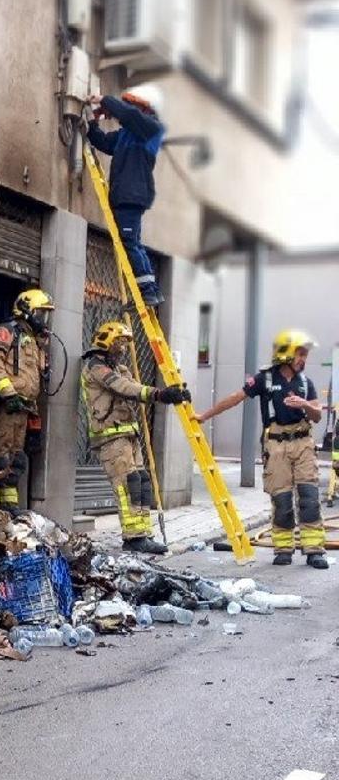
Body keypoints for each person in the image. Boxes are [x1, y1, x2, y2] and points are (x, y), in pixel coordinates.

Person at [195, 330, 327, 568]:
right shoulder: (265, 379)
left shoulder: (306, 383)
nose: (304, 359)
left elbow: (317, 416)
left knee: (309, 497)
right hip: (276, 446)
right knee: (282, 499)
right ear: (287, 353)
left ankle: (314, 551)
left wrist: (305, 404)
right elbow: (235, 398)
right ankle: (284, 549)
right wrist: (204, 416)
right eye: (301, 354)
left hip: (303, 444)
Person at [81, 320, 190, 554]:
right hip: (110, 438)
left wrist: (173, 394)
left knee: (141, 481)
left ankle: (142, 533)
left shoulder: (119, 369)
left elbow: (133, 385)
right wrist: (159, 394)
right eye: (119, 342)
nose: (122, 348)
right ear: (106, 341)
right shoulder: (95, 367)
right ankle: (132, 537)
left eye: (124, 343)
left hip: (128, 434)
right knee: (127, 486)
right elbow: (123, 388)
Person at [87, 84, 166, 307]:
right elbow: (101, 141)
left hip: (131, 195)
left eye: (132, 105)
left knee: (130, 242)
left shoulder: (151, 130)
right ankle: (149, 290)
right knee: (133, 242)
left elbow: (129, 115)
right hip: (126, 196)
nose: (126, 109)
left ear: (145, 109)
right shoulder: (126, 136)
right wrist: (93, 121)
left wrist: (105, 100)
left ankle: (148, 291)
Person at [0, 289, 53, 515]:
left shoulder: (34, 341)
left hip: (24, 407)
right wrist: (8, 393)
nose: (44, 320)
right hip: (6, 406)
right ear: (27, 310)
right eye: (41, 314)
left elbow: (37, 373)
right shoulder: (7, 332)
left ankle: (9, 505)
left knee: (17, 458)